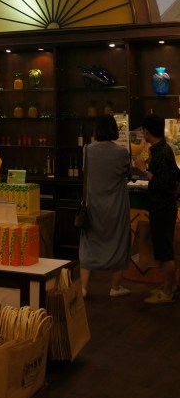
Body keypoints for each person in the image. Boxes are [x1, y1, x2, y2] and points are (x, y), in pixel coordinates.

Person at [79, 113, 132, 298]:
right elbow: (127, 174)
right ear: (114, 129)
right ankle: (115, 287)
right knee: (119, 241)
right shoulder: (121, 152)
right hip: (116, 206)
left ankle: (83, 288)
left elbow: (86, 172)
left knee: (89, 243)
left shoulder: (87, 150)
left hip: (93, 205)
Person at [133, 113, 179, 304]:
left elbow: (161, 183)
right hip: (163, 207)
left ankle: (167, 292)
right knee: (162, 250)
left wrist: (143, 169)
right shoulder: (162, 150)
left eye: (143, 130)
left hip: (163, 208)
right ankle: (167, 286)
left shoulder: (161, 153)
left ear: (146, 131)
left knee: (165, 251)